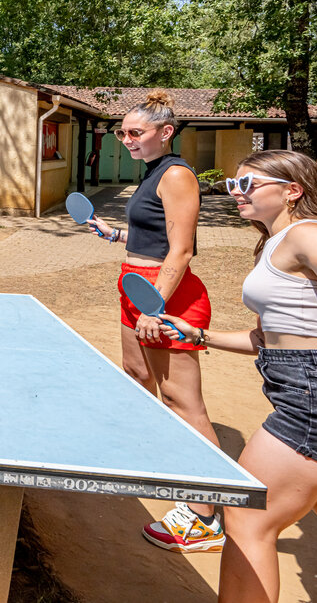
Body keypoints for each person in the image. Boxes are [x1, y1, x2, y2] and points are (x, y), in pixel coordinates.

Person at [153, 150, 317, 602]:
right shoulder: (276, 242)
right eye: (234, 186)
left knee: (246, 517)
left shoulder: (308, 233)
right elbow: (270, 338)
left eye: (248, 184)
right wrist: (202, 335)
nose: (237, 193)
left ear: (292, 191)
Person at [86, 90, 227, 552]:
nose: (126, 139)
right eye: (122, 132)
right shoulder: (153, 173)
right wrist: (116, 234)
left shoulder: (177, 174)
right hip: (137, 281)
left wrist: (154, 307)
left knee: (182, 399)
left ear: (165, 133)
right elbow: (155, 233)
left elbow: (181, 249)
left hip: (165, 294)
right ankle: (158, 458)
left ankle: (204, 516)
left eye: (135, 132)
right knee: (138, 375)